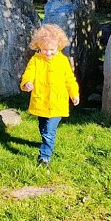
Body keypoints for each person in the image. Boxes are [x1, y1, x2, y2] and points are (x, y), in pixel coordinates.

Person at [20, 24, 80, 166]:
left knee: (48, 130)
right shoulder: (36, 60)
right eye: (44, 50)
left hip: (57, 102)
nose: (48, 53)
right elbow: (28, 73)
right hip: (41, 100)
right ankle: (46, 142)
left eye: (52, 50)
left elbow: (69, 79)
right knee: (42, 128)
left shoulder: (62, 61)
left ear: (59, 46)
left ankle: (45, 156)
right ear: (38, 46)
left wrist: (74, 94)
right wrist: (27, 82)